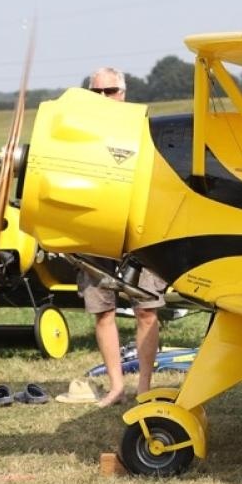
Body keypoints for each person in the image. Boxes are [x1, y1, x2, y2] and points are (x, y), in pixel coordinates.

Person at [79, 67, 167, 407]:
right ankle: (116, 387)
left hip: (138, 230)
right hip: (96, 229)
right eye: (97, 92)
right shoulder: (81, 133)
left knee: (146, 309)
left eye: (110, 90)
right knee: (102, 311)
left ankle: (144, 386)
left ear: (123, 92)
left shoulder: (142, 127)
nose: (105, 98)